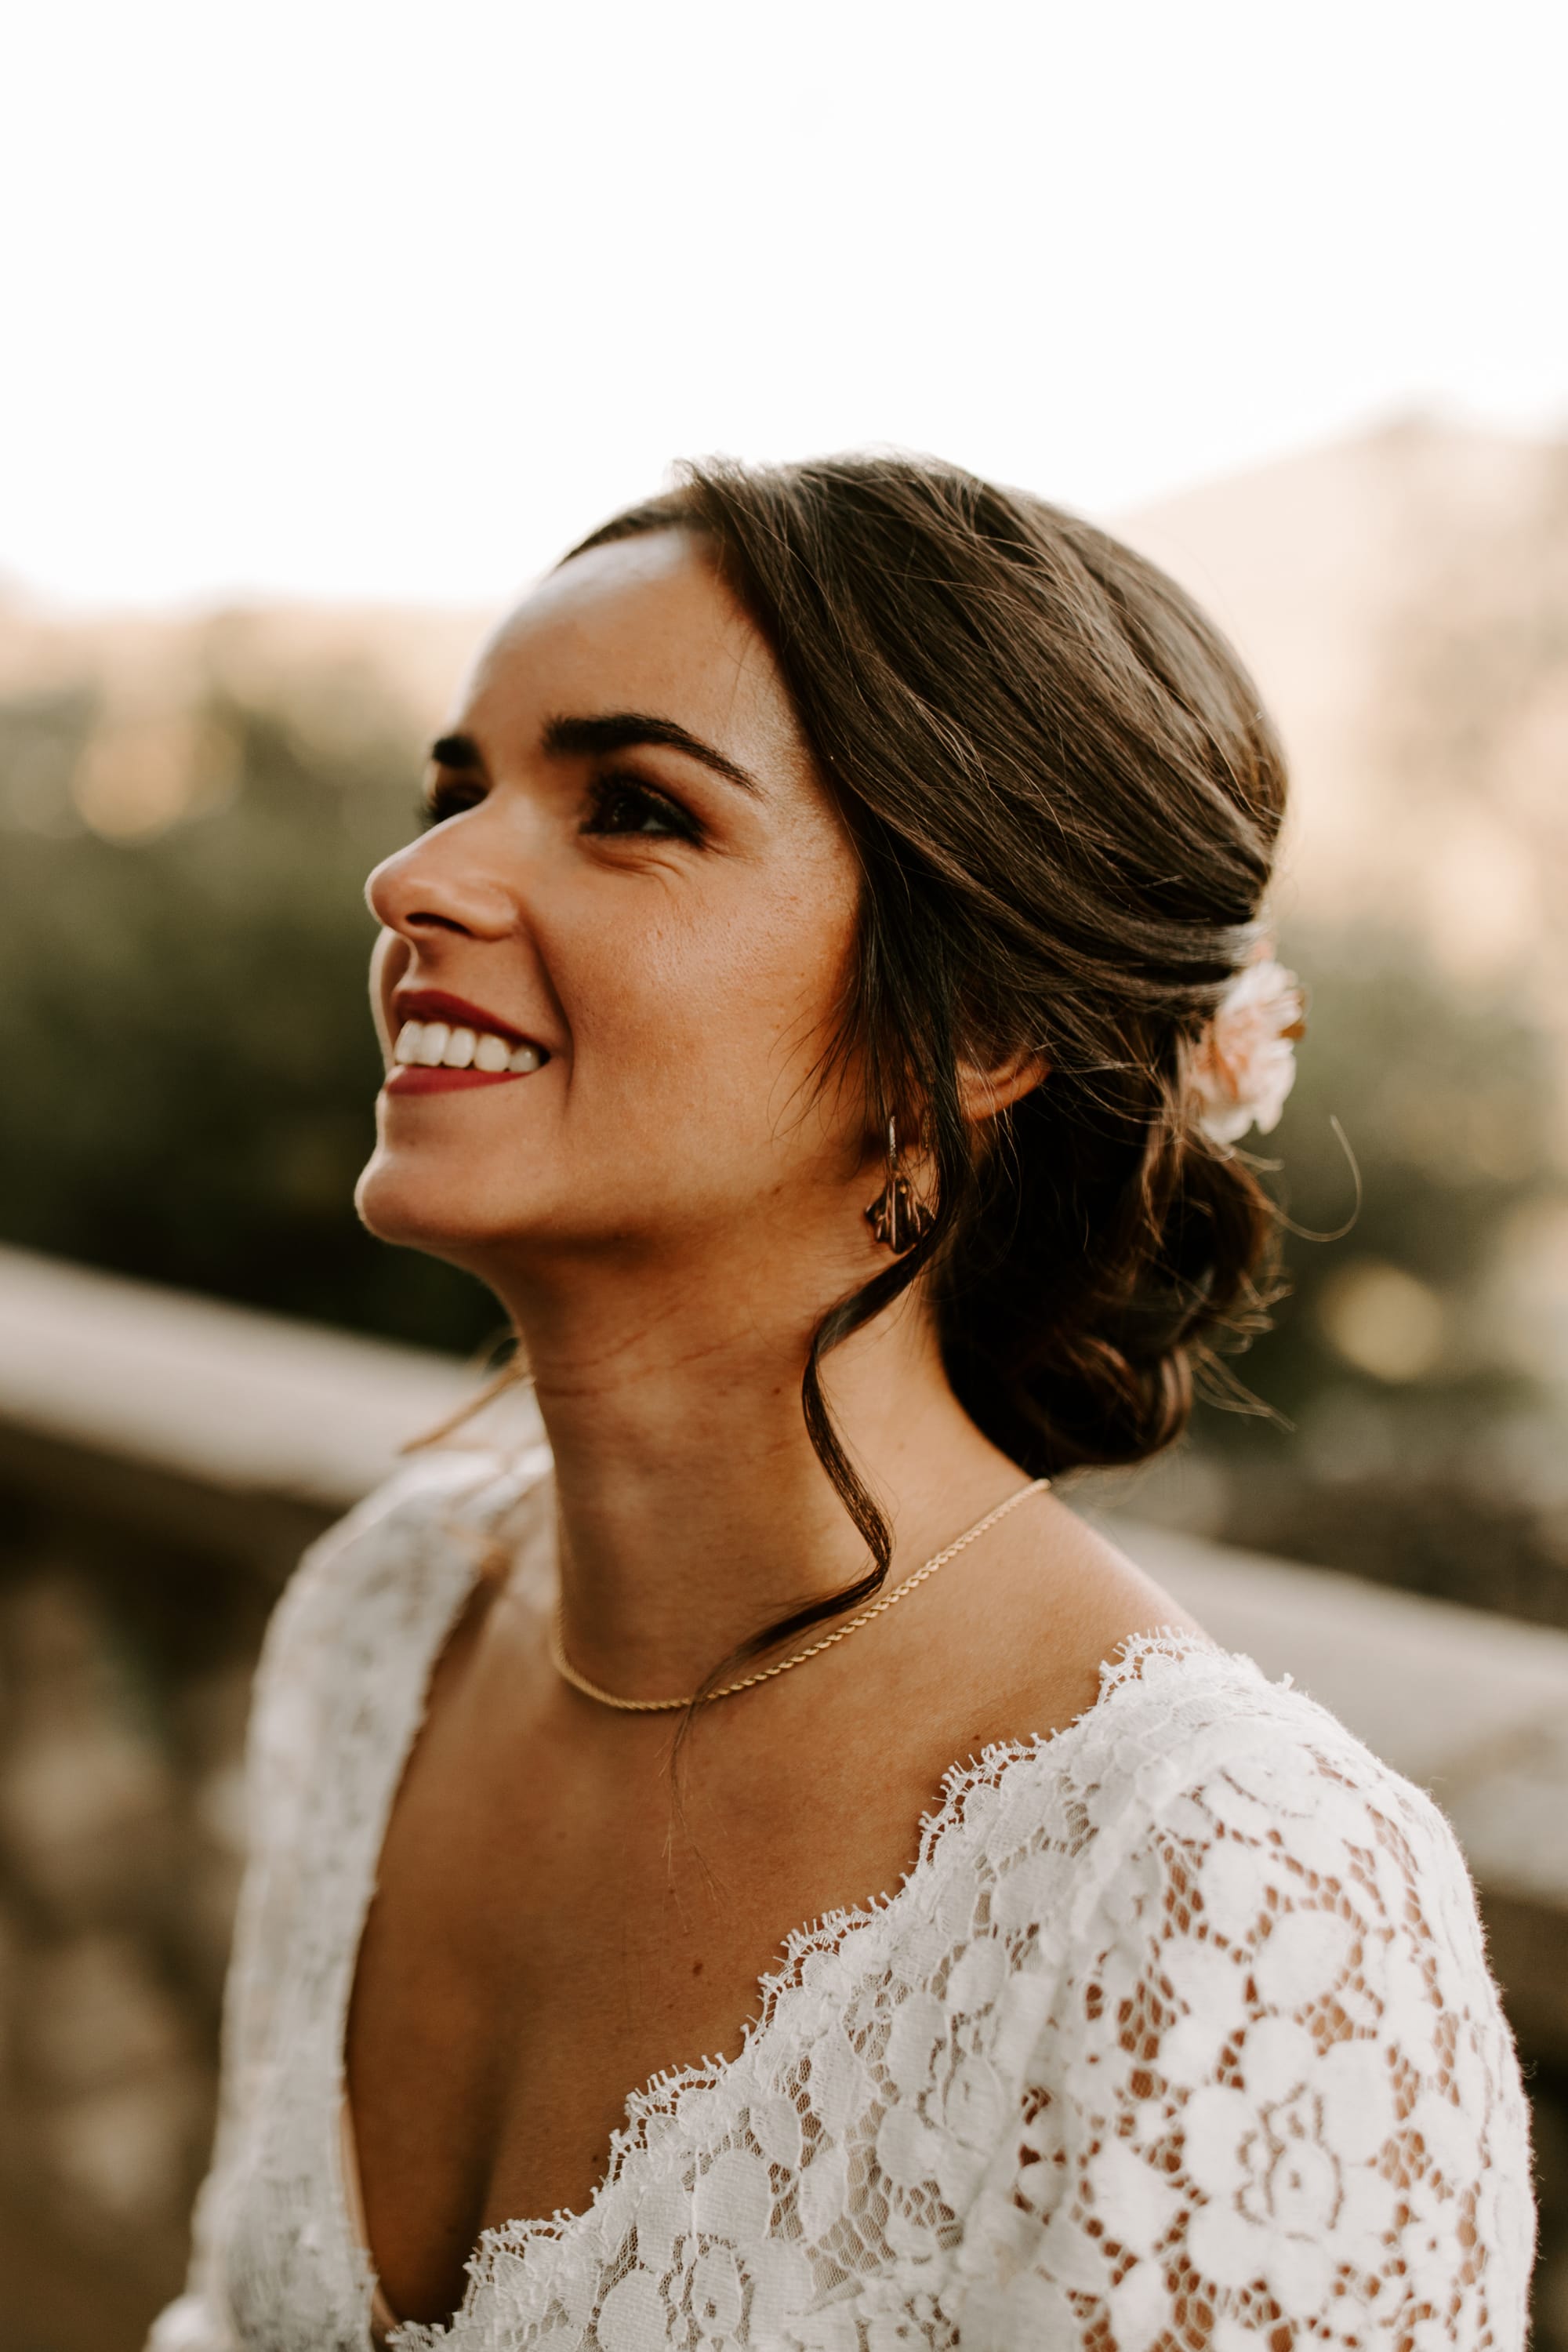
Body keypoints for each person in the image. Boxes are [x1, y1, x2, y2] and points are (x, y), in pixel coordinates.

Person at [150, 456, 1534, 2352]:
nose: (419, 877)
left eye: (629, 808)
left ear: (975, 1034)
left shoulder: (1230, 1902)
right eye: (456, 788)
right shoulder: (386, 1628)